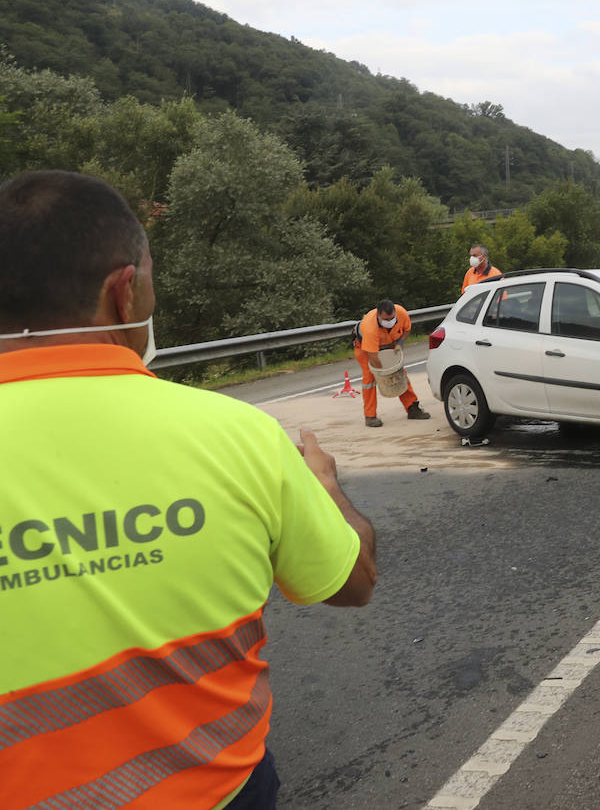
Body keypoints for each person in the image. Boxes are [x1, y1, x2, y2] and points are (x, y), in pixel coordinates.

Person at [0, 170, 378, 809]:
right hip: (219, 791)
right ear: (125, 293)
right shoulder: (239, 435)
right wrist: (326, 488)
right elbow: (353, 580)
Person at [352, 299, 430, 427]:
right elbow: (373, 356)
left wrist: (400, 343)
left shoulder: (401, 313)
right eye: (386, 320)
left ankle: (412, 409)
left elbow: (407, 329)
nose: (390, 322)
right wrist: (385, 373)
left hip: (390, 344)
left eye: (392, 318)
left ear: (395, 312)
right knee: (370, 378)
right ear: (378, 315)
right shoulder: (370, 327)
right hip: (365, 350)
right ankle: (370, 416)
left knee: (399, 373)